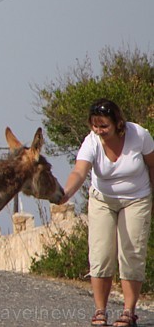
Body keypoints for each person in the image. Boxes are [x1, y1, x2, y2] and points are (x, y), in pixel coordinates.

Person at [61, 98, 154, 327]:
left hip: (136, 199)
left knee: (131, 252)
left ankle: (128, 311)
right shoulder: (91, 142)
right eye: (95, 125)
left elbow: (153, 164)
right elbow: (79, 172)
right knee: (101, 253)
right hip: (102, 200)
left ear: (117, 123)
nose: (99, 130)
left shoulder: (139, 135)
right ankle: (100, 310)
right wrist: (66, 192)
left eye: (104, 126)